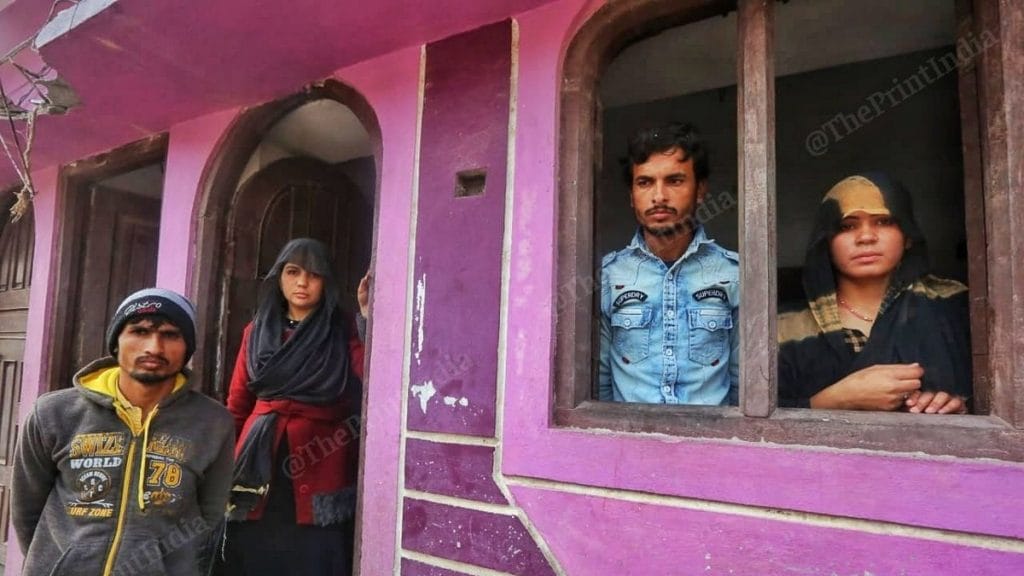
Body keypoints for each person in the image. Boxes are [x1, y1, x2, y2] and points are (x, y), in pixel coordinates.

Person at [12, 288, 235, 575]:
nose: (154, 347)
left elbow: (210, 518)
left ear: (187, 348)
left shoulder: (212, 423)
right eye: (139, 331)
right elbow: (26, 510)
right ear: (116, 342)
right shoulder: (53, 414)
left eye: (170, 335)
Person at [221, 238, 369, 576]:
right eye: (293, 272)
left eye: (314, 275)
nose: (302, 283)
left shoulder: (341, 329)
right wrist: (221, 468)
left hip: (322, 457)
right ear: (279, 278)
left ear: (326, 282)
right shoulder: (255, 332)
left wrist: (366, 318)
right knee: (254, 550)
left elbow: (373, 375)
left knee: (313, 555)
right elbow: (238, 404)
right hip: (257, 460)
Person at [778, 173, 971, 413]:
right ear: (826, 242)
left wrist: (959, 410)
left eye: (884, 221)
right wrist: (837, 400)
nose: (866, 237)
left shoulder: (957, 306)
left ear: (908, 236)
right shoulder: (784, 328)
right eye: (847, 226)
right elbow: (756, 425)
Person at [598, 122, 739, 405]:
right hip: (628, 444)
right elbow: (599, 385)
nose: (659, 196)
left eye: (674, 180)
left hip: (713, 443)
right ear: (631, 196)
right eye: (645, 182)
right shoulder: (608, 276)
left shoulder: (733, 274)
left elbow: (745, 385)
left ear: (700, 190)